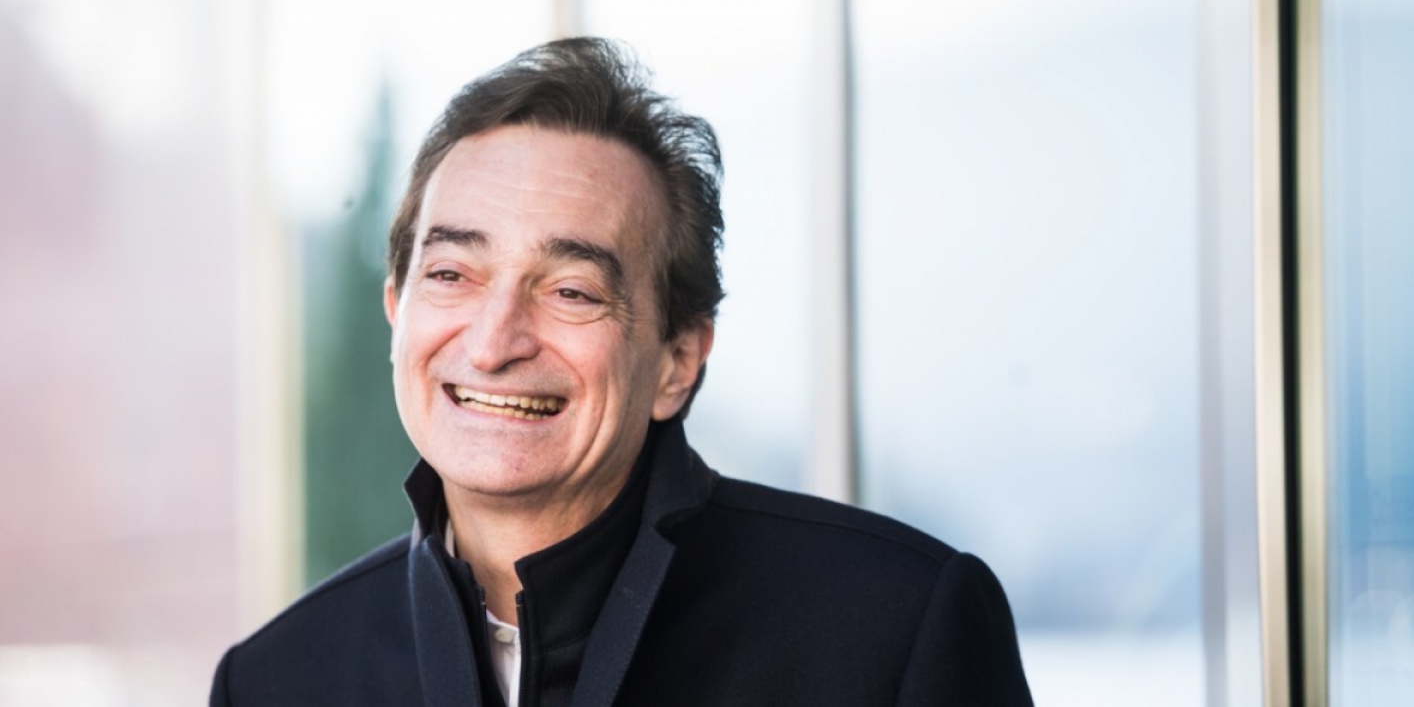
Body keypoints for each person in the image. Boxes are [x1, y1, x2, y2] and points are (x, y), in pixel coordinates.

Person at [210, 38, 1032, 707]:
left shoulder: (897, 628)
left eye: (571, 291)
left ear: (678, 360)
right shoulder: (277, 681)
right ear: (397, 310)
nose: (493, 343)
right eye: (452, 275)